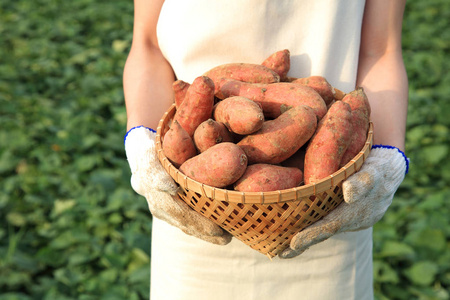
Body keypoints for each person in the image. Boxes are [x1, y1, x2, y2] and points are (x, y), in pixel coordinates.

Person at [123, 0, 410, 299]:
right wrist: (141, 139)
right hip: (195, 204)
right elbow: (148, 45)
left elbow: (382, 50)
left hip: (330, 205)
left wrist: (387, 155)